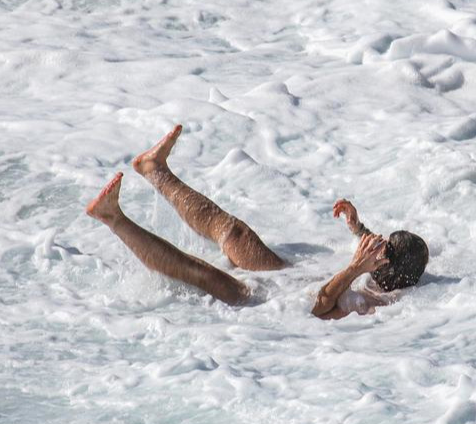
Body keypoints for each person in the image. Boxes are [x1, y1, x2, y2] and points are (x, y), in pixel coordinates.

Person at [85, 125, 429, 318]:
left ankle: (113, 218)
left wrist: (354, 268)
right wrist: (357, 227)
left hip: (260, 303)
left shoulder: (376, 303)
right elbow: (375, 260)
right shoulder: (385, 270)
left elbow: (320, 306)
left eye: (382, 246)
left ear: (385, 267)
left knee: (199, 271)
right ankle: (154, 169)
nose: (376, 241)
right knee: (236, 233)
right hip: (284, 276)